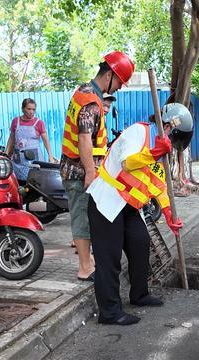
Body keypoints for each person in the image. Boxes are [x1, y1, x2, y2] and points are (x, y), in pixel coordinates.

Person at [86, 103, 193, 325]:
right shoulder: (139, 132)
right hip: (108, 200)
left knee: (140, 243)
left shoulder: (163, 154)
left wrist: (169, 215)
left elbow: (160, 188)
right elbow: (127, 163)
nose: (173, 145)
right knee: (110, 259)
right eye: (174, 139)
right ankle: (110, 313)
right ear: (166, 126)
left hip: (130, 206)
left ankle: (139, 294)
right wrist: (153, 152)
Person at [60, 51, 135, 282]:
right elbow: (84, 138)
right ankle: (85, 267)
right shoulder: (91, 102)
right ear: (110, 74)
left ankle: (88, 260)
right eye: (120, 82)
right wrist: (91, 173)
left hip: (76, 166)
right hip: (79, 170)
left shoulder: (83, 91)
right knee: (82, 216)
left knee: (86, 215)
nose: (120, 88)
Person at [5, 98, 56, 182]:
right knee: (19, 182)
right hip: (18, 160)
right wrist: (6, 153)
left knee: (35, 182)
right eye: (29, 109)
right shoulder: (15, 121)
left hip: (34, 160)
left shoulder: (39, 123)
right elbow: (11, 138)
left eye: (33, 109)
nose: (31, 112)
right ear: (23, 109)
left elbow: (46, 140)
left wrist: (50, 157)